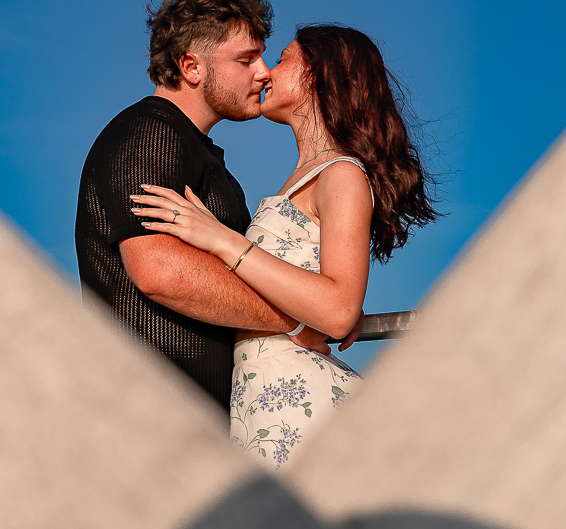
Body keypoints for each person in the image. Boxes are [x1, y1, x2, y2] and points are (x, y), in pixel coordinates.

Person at [134, 24, 439, 467]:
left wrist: (222, 239)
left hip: (297, 405)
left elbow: (339, 310)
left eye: (282, 59)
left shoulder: (342, 174)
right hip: (260, 402)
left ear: (318, 77)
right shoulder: (304, 179)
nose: (266, 72)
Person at [76, 0, 343, 413]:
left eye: (263, 57)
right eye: (246, 59)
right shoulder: (150, 131)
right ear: (191, 67)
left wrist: (314, 302)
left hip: (202, 419)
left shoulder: (200, 154)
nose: (264, 72)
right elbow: (158, 270)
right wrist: (295, 320)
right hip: (147, 411)